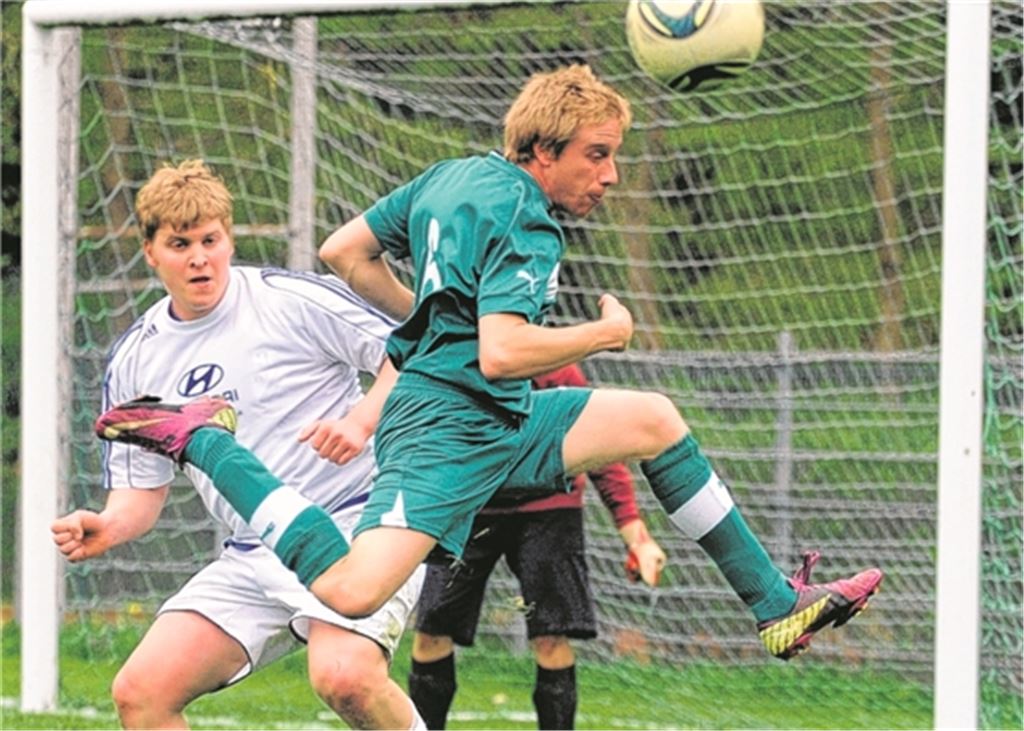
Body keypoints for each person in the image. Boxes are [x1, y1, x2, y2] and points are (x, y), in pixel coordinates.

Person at [95, 65, 882, 665]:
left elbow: (345, 251)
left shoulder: (456, 176)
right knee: (350, 590)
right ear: (543, 151)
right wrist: (602, 333)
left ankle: (777, 603)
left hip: (489, 413)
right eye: (596, 156)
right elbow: (505, 348)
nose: (609, 174)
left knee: (655, 420)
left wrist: (430, 324)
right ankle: (206, 439)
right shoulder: (528, 218)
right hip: (446, 428)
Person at [52, 160, 427, 731]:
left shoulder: (289, 299)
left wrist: (360, 420)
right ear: (150, 252)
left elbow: (411, 352)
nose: (200, 257)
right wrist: (109, 525)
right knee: (141, 694)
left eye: (211, 239)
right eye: (180, 244)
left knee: (345, 677)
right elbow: (140, 495)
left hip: (355, 527)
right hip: (255, 551)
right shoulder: (136, 359)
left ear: (229, 239)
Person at [409, 363, 667, 730]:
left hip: (549, 511)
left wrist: (638, 540)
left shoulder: (558, 370)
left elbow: (603, 454)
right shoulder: (454, 360)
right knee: (432, 629)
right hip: (469, 505)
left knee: (550, 637)